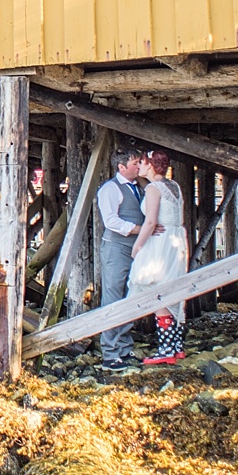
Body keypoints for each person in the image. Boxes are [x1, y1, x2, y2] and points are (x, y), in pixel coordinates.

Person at [130, 150, 190, 364]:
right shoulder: (174, 186)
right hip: (177, 238)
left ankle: (165, 350)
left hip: (161, 241)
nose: (140, 167)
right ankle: (177, 347)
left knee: (157, 288)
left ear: (152, 166)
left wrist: (137, 246)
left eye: (143, 163)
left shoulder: (153, 189)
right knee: (173, 287)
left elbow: (151, 222)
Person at [94, 146, 147, 371]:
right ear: (121, 166)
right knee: (113, 296)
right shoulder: (110, 189)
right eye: (135, 164)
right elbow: (111, 221)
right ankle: (109, 352)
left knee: (131, 294)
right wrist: (139, 229)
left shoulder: (141, 188)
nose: (139, 167)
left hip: (137, 247)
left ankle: (124, 347)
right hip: (117, 247)